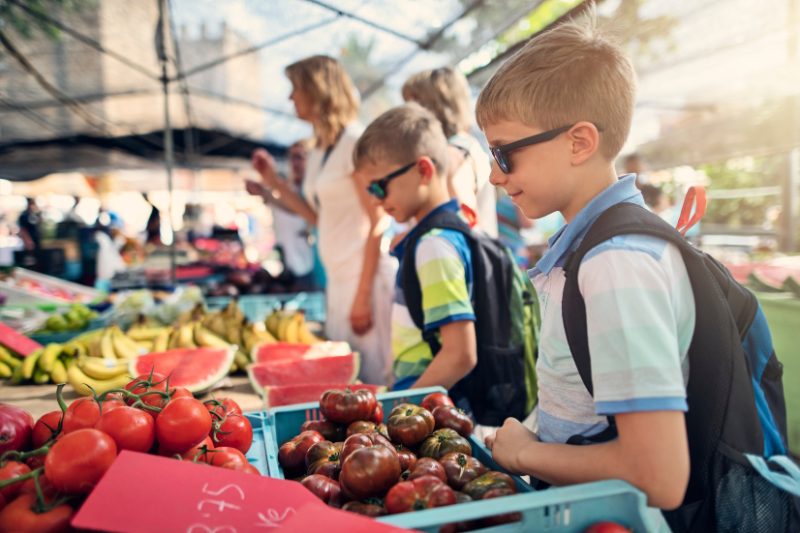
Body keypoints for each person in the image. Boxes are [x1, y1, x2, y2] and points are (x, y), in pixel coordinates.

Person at [476, 14, 798, 531]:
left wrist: (524, 454)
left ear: (579, 142)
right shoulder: (594, 249)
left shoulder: (615, 265)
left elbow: (658, 473)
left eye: (504, 153)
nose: (494, 175)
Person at [250, 55, 396, 386]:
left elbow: (378, 221)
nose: (290, 97)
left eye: (296, 88)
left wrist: (362, 296)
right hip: (338, 280)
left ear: (317, 91)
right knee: (351, 385)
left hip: (363, 280)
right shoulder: (320, 149)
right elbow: (317, 217)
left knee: (372, 379)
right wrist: (273, 181)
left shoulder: (354, 143)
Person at [353, 102, 477, 394]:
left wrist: (404, 407)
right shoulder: (439, 235)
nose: (374, 200)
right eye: (369, 190)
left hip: (428, 406)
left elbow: (460, 354)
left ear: (423, 170)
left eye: (379, 186)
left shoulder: (433, 246)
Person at [402, 67, 498, 238]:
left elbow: (467, 230)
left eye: (412, 105)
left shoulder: (451, 156)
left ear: (433, 106)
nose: (407, 114)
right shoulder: (469, 144)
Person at [246, 139, 316, 288]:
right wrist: (263, 190)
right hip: (290, 262)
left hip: (311, 265)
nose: (295, 162)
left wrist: (270, 185)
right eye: (292, 157)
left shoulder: (313, 191)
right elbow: (287, 205)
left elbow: (300, 209)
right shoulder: (289, 188)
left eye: (300, 156)